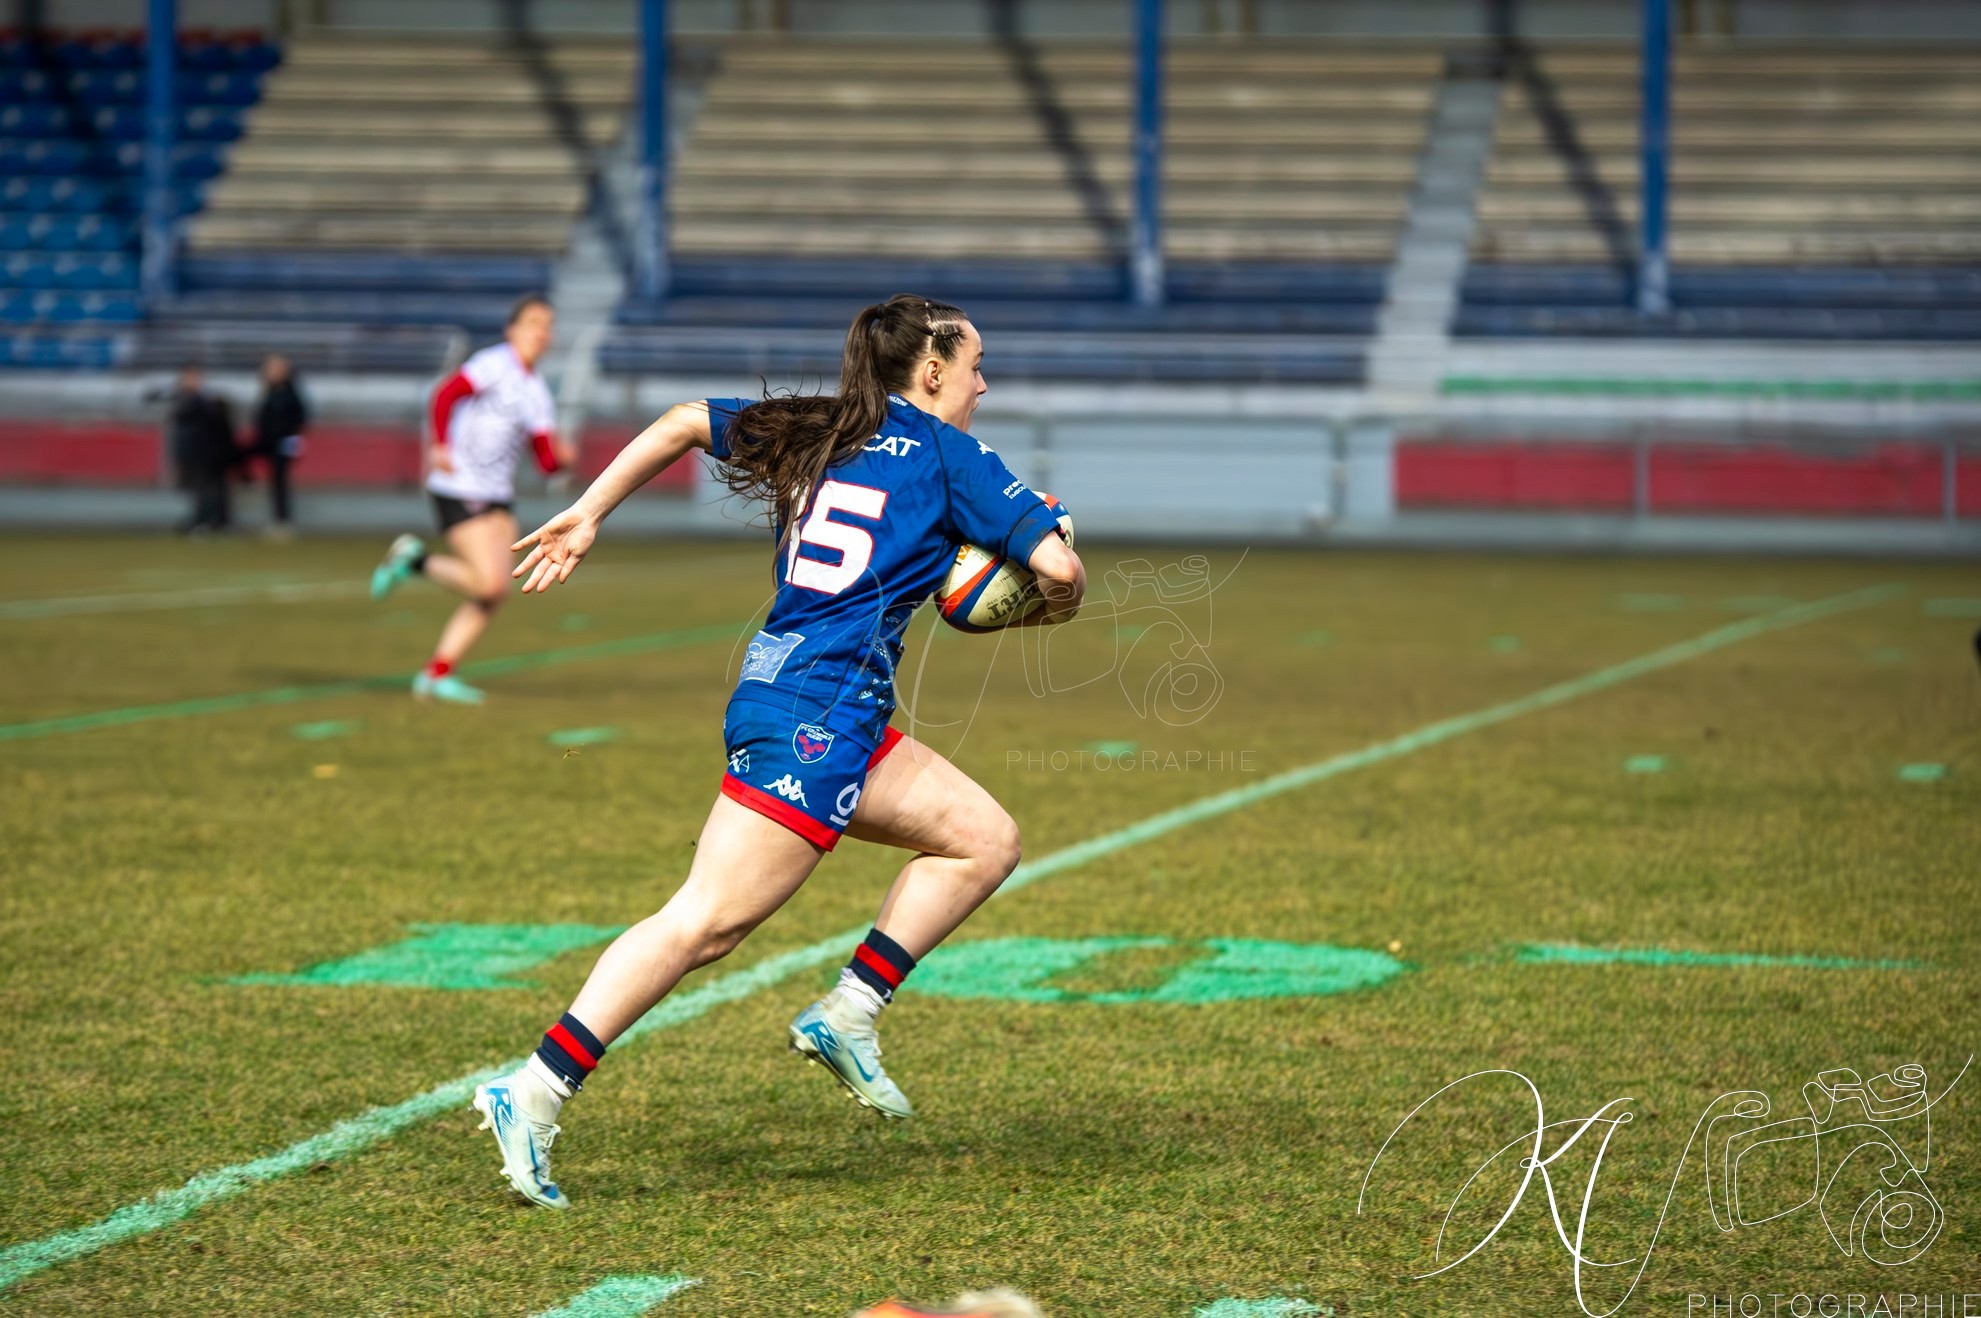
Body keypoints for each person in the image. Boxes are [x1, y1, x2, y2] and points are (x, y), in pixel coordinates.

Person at [469, 294, 1085, 1209]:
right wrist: (1054, 598)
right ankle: (532, 1091)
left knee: (983, 840)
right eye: (974, 366)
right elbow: (1058, 567)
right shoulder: (952, 455)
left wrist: (587, 512)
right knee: (705, 923)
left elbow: (684, 420)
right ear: (931, 371)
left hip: (804, 697)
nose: (983, 385)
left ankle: (849, 1012)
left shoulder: (824, 425)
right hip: (817, 716)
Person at [366, 294, 574, 704]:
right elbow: (445, 395)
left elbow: (547, 461)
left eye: (548, 325)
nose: (541, 332)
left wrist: (564, 457)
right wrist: (440, 444)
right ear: (512, 330)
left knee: (494, 592)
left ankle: (437, 674)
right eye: (533, 322)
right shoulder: (494, 364)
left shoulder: (537, 392)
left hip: (498, 494)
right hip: (459, 485)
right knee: (489, 583)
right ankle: (414, 561)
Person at [164, 364, 238, 535]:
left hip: (204, 453)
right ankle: (207, 520)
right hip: (194, 452)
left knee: (207, 489)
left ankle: (207, 521)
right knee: (202, 489)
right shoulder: (187, 401)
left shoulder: (199, 403)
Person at [251, 353, 308, 538]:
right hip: (271, 444)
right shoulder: (270, 392)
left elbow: (298, 422)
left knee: (280, 481)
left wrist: (292, 446)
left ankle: (283, 521)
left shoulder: (289, 393)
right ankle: (279, 519)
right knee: (276, 482)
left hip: (283, 445)